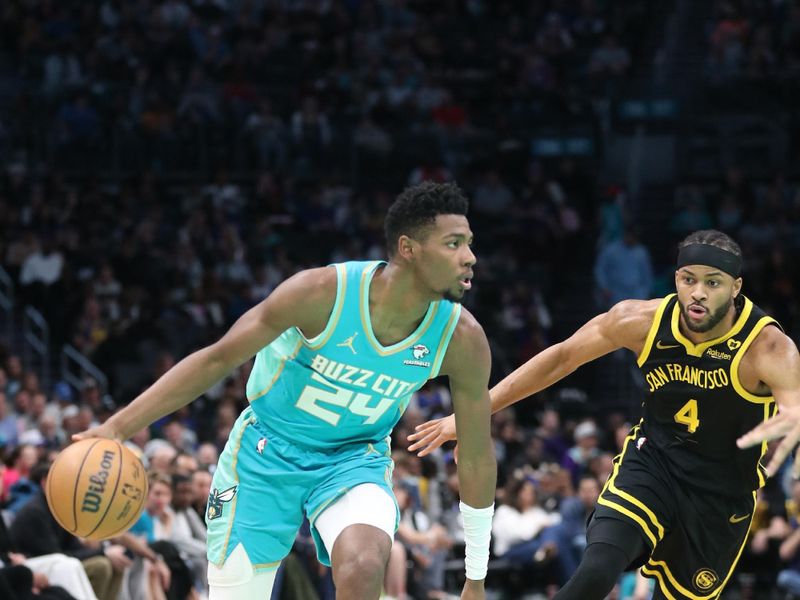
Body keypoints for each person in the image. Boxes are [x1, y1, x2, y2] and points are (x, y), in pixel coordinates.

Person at [74, 181, 497, 600]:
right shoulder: (321, 294)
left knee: (366, 564)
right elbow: (218, 359)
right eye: (454, 244)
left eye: (469, 243)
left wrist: (475, 578)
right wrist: (117, 427)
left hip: (353, 458)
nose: (469, 258)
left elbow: (476, 455)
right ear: (408, 248)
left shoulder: (462, 339)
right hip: (265, 451)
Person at [410, 229, 800, 599]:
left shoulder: (767, 349)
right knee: (596, 572)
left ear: (736, 288)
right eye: (687, 279)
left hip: (721, 491)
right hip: (654, 464)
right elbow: (562, 358)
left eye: (713, 282)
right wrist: (475, 414)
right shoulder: (640, 321)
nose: (697, 293)